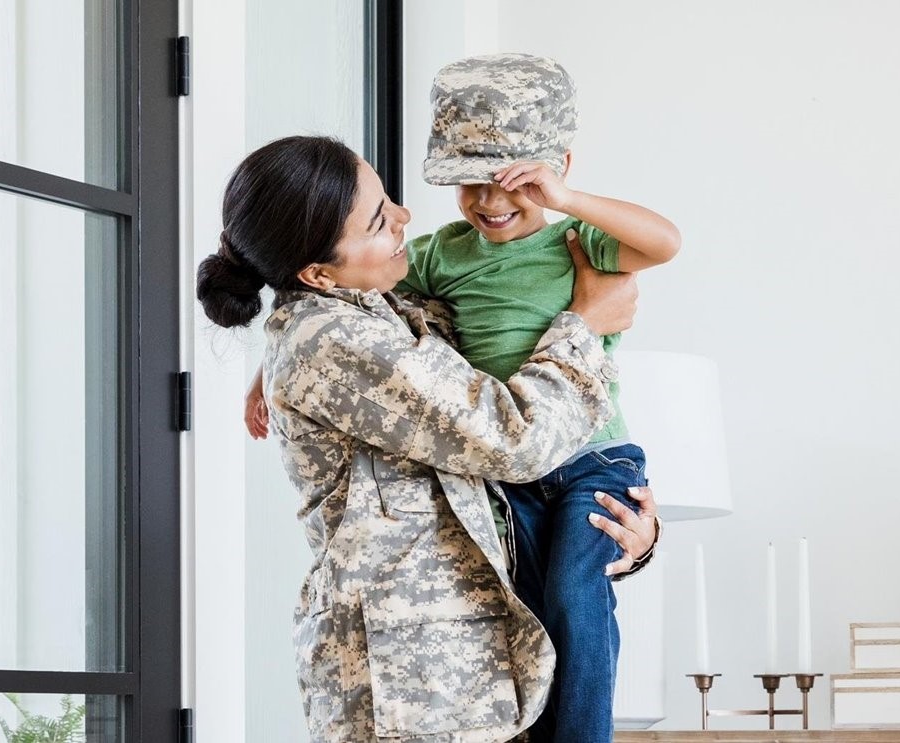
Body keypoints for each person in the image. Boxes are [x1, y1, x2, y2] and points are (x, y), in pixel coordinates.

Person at [198, 135, 661, 742]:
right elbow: (510, 437)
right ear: (318, 274)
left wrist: (624, 531)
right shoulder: (332, 341)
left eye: (389, 199)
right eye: (378, 219)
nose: (405, 218)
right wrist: (585, 326)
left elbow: (495, 478)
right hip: (419, 692)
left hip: (480, 671)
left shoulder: (379, 309)